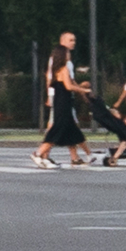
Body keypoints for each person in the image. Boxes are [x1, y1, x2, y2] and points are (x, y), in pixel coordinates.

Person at [34, 34, 90, 169]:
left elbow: (70, 82)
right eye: (71, 40)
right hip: (60, 98)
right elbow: (65, 84)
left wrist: (80, 91)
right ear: (62, 43)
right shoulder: (59, 64)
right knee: (57, 126)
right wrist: (83, 91)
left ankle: (76, 157)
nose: (73, 43)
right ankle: (40, 154)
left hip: (65, 98)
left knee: (69, 127)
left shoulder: (64, 64)